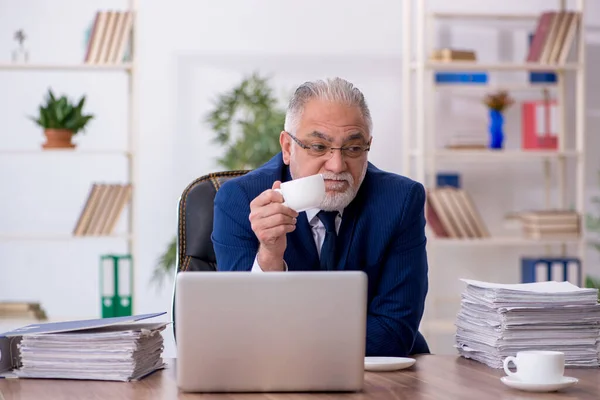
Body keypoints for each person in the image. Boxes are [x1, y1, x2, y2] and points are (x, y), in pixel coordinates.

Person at [212, 77, 429, 356]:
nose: (337, 165)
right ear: (288, 148)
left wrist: (288, 340)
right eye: (318, 147)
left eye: (353, 148)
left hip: (378, 372)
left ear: (367, 145)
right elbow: (242, 332)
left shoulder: (401, 200)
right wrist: (269, 257)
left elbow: (394, 332)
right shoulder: (240, 200)